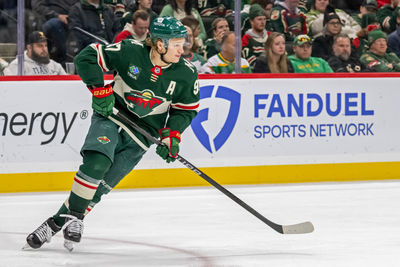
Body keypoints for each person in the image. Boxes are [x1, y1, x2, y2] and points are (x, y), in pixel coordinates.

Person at [24, 16, 200, 251]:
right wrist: (99, 90)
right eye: (177, 43)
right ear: (160, 44)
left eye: (183, 43)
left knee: (101, 187)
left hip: (142, 135)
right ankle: (73, 219)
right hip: (112, 115)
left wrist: (172, 135)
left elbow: (184, 110)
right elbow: (86, 57)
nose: (182, 48)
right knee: (97, 163)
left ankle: (57, 222)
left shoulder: (186, 74)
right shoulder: (130, 50)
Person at [32, 0, 79, 65]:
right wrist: (58, 16)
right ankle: (61, 60)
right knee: (55, 24)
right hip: (47, 21)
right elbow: (38, 7)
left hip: (70, 21)